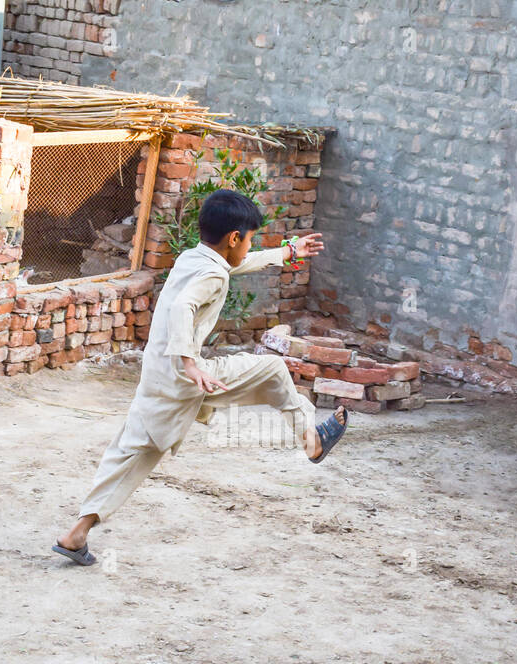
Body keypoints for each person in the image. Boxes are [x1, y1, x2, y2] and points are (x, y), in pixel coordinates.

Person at [53, 189, 349, 565]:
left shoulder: (195, 259)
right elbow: (182, 305)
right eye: (250, 238)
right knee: (273, 368)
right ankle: (311, 440)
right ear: (234, 238)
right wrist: (191, 362)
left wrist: (286, 253)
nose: (250, 245)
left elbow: (233, 266)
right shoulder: (210, 273)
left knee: (132, 452)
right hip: (185, 377)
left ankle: (76, 535)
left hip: (159, 375)